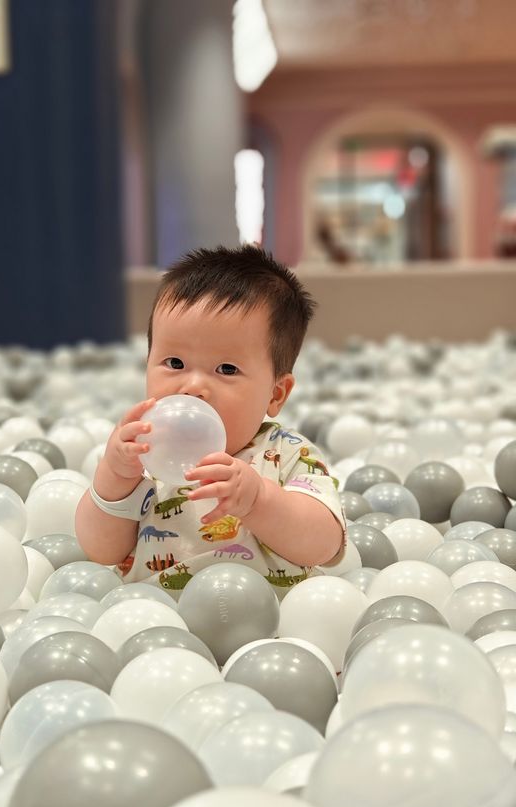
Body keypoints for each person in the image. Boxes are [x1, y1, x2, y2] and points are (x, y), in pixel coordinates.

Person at [75, 244, 345, 591]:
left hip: (266, 626)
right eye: (174, 363)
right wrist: (113, 478)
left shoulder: (289, 455)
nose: (194, 386)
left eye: (227, 369)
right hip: (156, 623)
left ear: (276, 394)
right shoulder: (139, 454)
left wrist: (259, 501)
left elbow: (324, 545)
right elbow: (101, 551)